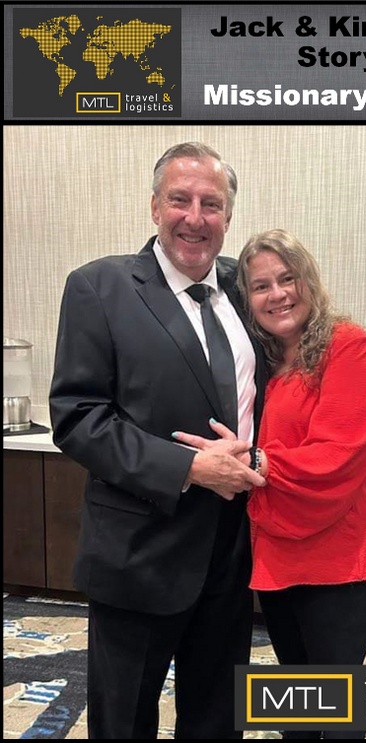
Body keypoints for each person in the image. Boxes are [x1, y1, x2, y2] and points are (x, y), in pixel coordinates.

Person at [49, 142, 268, 739]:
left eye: (211, 204)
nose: (195, 217)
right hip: (139, 552)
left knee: (218, 716)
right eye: (180, 200)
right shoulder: (99, 287)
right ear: (154, 207)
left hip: (233, 549)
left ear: (228, 216)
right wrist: (188, 468)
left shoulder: (247, 288)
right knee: (124, 720)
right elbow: (77, 417)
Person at [174, 229, 366, 740]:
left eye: (288, 279)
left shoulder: (348, 346)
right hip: (277, 547)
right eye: (261, 286)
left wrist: (254, 460)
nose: (278, 295)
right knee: (297, 700)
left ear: (308, 281)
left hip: (338, 551)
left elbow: (340, 452)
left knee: (338, 705)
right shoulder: (266, 361)